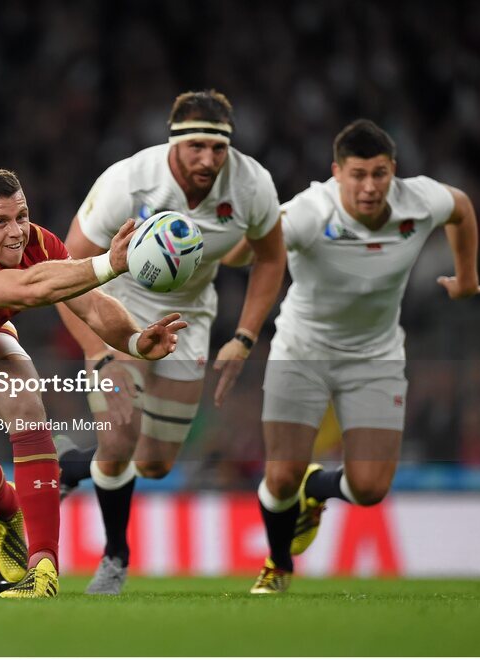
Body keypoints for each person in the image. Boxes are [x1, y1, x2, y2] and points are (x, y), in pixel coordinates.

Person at [0, 168, 186, 598]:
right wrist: (109, 263)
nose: (17, 232)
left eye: (21, 216)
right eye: (0, 222)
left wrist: (134, 339)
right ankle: (7, 512)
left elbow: (92, 307)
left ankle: (42, 567)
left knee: (26, 402)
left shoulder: (36, 242)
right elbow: (26, 290)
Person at [225, 119, 480, 594]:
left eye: (379, 174)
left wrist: (466, 277)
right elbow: (249, 254)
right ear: (336, 173)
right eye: (358, 174)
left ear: (393, 172)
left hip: (375, 358)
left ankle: (316, 488)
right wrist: (247, 228)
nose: (369, 186)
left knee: (369, 489)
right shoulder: (308, 212)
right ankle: (278, 565)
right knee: (279, 477)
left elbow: (462, 209)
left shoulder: (418, 200)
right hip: (301, 351)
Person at [53, 90, 286, 594]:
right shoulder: (128, 181)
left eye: (218, 149)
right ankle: (115, 555)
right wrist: (96, 350)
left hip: (189, 321)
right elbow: (67, 267)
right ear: (173, 141)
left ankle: (72, 462)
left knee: (155, 464)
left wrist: (244, 337)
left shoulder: (251, 185)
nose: (208, 159)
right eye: (197, 146)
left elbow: (271, 257)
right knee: (120, 436)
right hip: (117, 311)